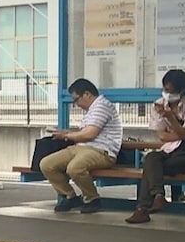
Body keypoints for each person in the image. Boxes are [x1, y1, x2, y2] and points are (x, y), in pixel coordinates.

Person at [127, 70, 185, 224]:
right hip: (169, 149)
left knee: (151, 168)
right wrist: (184, 133)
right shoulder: (159, 104)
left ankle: (142, 209)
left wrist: (171, 118)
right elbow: (162, 135)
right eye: (164, 89)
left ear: (182, 90)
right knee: (151, 158)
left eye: (170, 90)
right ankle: (158, 195)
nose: (166, 94)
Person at [40, 78, 124, 214]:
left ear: (87, 94)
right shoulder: (91, 109)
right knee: (47, 164)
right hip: (82, 148)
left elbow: (89, 134)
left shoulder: (102, 106)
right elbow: (84, 134)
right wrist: (67, 133)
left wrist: (66, 136)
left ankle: (92, 199)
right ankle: (70, 196)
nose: (76, 104)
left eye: (76, 99)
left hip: (102, 151)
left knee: (75, 168)